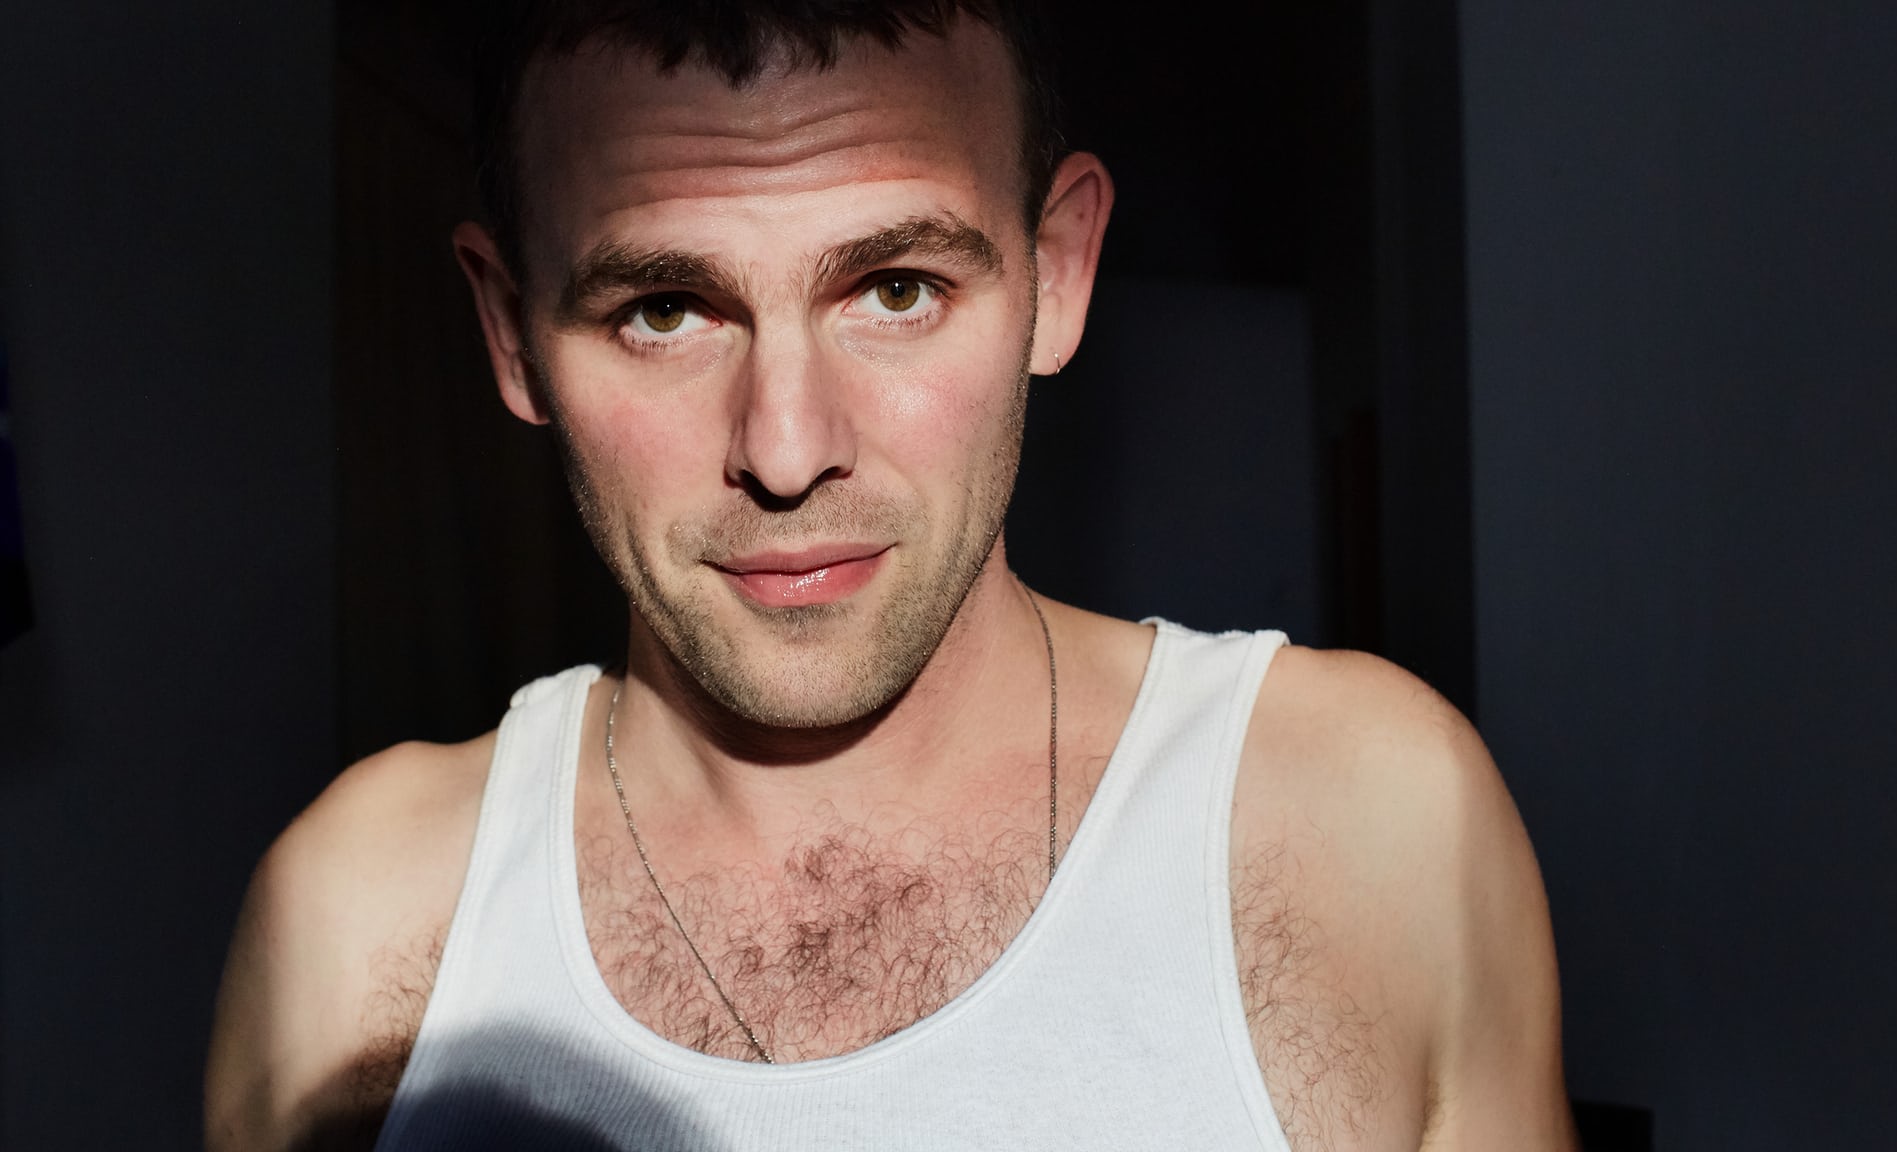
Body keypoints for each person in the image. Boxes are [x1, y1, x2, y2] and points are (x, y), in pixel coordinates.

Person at [207, 3, 1575, 1148]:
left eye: (896, 289)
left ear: (1057, 270)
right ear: (512, 333)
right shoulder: (357, 923)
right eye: (666, 311)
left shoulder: (1376, 823)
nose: (788, 451)